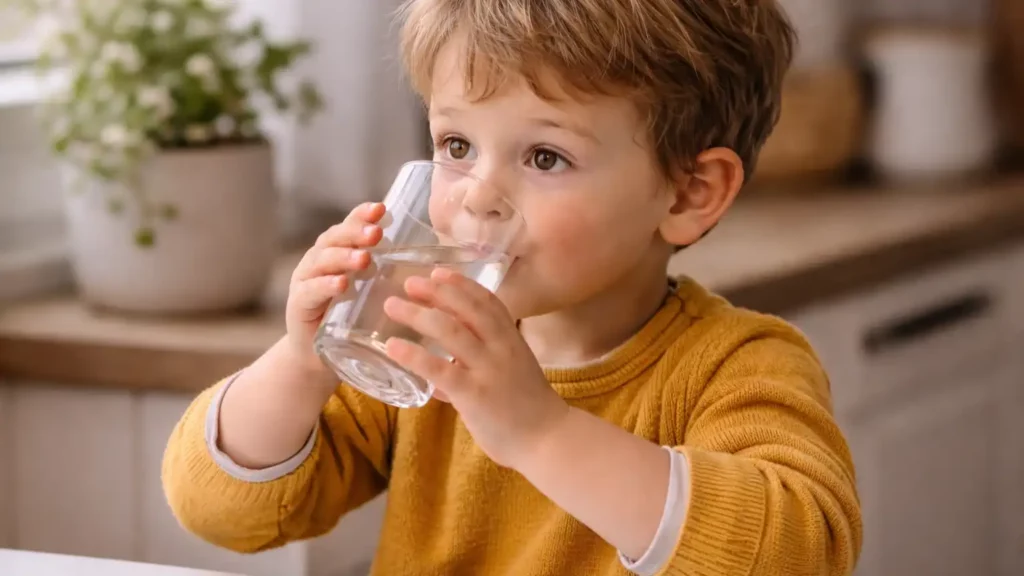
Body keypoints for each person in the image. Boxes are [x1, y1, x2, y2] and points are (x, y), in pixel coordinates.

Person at [162, 0, 862, 574]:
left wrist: (538, 430)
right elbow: (220, 511)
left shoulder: (740, 366)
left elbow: (796, 554)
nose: (478, 198)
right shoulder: (420, 337)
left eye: (545, 156)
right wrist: (300, 360)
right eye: (456, 146)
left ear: (689, 193)